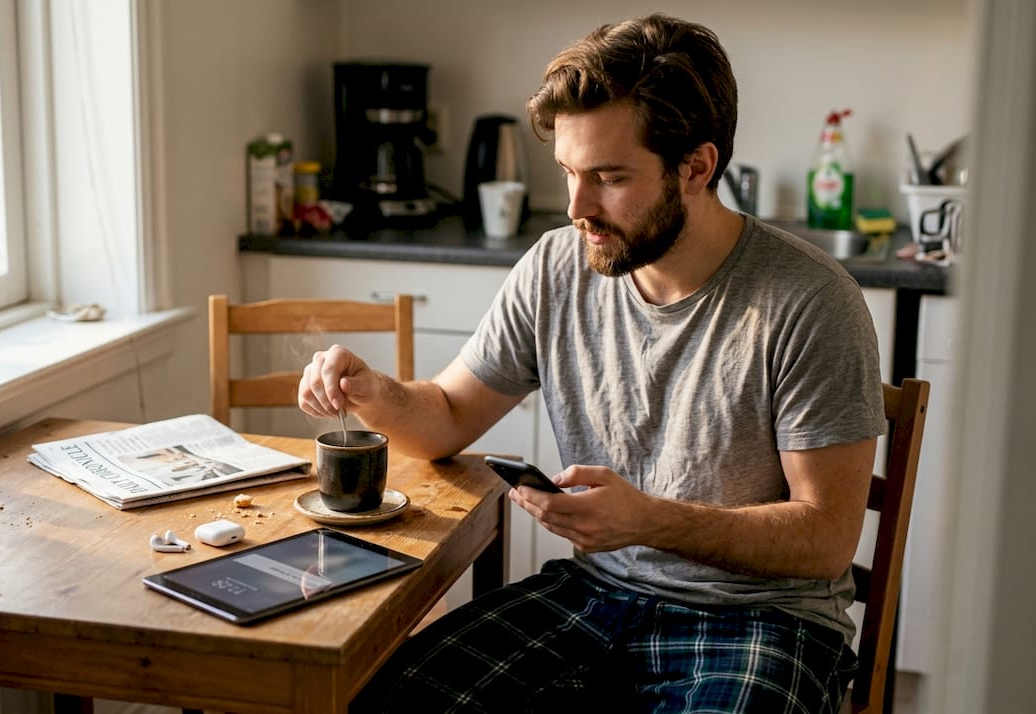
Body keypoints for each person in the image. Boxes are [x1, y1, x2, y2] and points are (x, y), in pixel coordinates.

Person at [298, 11, 883, 713]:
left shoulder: (810, 300)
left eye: (608, 177)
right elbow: (448, 418)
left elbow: (825, 538)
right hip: (596, 596)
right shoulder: (555, 267)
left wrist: (650, 521)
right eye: (569, 173)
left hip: (761, 619)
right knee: (391, 700)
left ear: (696, 167)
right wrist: (372, 391)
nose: (577, 207)